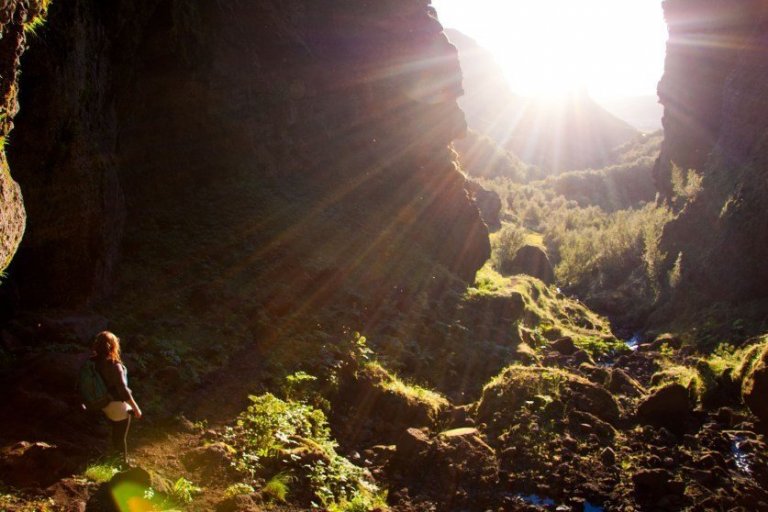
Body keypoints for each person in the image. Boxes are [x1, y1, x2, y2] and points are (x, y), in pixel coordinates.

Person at [91, 331, 142, 465]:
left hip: (101, 403)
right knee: (120, 436)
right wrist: (136, 407)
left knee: (114, 432)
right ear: (113, 346)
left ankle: (115, 458)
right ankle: (122, 464)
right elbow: (122, 389)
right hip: (116, 405)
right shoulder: (114, 365)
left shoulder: (93, 363)